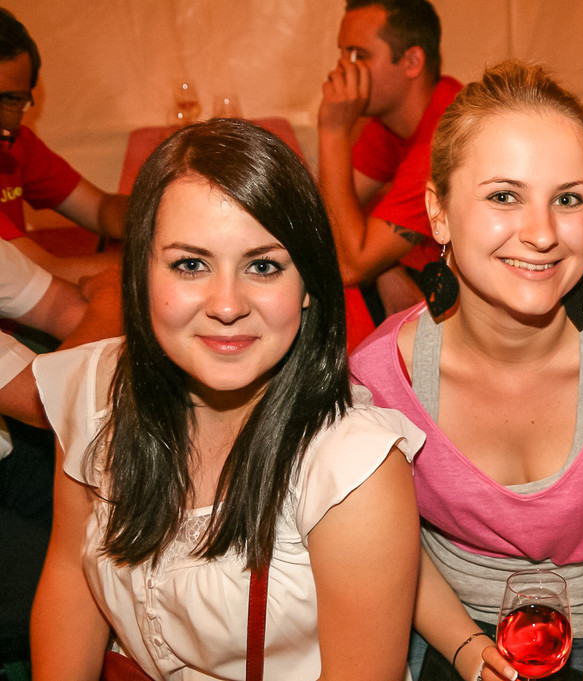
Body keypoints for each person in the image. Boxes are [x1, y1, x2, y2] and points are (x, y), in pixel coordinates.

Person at [350, 61, 583, 681]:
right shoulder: (380, 378)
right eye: (504, 196)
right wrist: (467, 648)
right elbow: (396, 553)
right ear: (438, 213)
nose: (542, 234)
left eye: (567, 199)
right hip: (443, 629)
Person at [30, 118, 423, 680]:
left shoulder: (351, 473)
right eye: (191, 264)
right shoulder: (94, 391)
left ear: (308, 285)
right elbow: (71, 573)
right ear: (141, 273)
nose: (227, 305)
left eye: (263, 266)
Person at [0, 239, 120, 678]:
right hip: (24, 433)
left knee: (115, 509)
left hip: (12, 455)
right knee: (79, 577)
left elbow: (63, 310)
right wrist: (112, 298)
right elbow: (44, 401)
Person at [318, 0, 462, 320]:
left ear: (411, 62)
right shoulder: (388, 122)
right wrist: (386, 268)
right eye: (342, 54)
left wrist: (333, 132)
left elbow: (349, 265)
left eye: (359, 55)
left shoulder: (446, 139)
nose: (342, 70)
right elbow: (323, 216)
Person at [0, 7, 127, 283]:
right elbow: (40, 273)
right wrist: (174, 261)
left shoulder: (16, 143)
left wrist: (169, 213)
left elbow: (100, 209)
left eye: (10, 100)